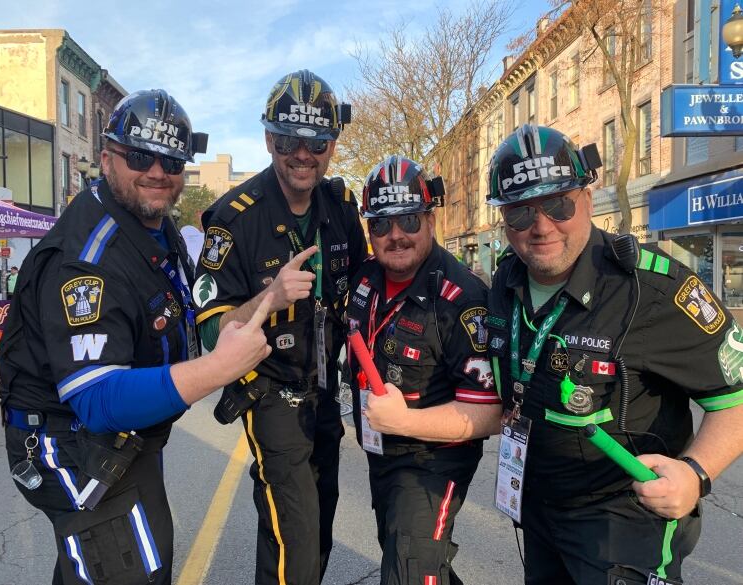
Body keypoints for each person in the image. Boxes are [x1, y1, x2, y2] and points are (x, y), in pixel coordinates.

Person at [0, 89, 273, 585]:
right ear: (107, 158)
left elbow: (189, 325)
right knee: (135, 570)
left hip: (128, 439)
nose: (157, 171)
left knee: (107, 563)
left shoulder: (157, 231)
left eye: (171, 160)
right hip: (69, 441)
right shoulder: (85, 260)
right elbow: (97, 399)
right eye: (140, 156)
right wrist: (219, 370)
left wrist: (266, 302)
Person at [485, 124, 743, 585]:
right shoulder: (505, 284)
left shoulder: (653, 289)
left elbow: (737, 397)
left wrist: (695, 475)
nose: (541, 226)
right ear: (504, 219)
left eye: (558, 204)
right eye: (521, 213)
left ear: (588, 195)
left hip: (622, 519)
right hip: (538, 505)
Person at [192, 69, 366, 585]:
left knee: (313, 529)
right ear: (270, 139)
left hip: (324, 393)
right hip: (268, 393)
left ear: (332, 144)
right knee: (297, 529)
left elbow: (363, 287)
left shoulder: (339, 208)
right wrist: (269, 298)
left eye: (317, 140)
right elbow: (208, 328)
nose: (303, 153)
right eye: (289, 139)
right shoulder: (233, 217)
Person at [346, 156, 502, 585]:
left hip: (434, 461)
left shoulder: (462, 298)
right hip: (381, 451)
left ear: (431, 221)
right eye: (381, 224)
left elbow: (489, 412)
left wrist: (406, 421)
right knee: (411, 559)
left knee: (411, 570)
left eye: (409, 221)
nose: (395, 236)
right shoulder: (363, 279)